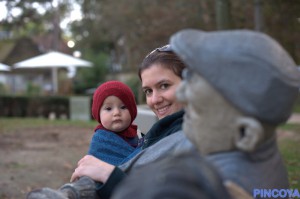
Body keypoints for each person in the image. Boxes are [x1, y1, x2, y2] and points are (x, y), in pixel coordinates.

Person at [111, 29, 300, 199]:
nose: (184, 93)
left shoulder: (200, 186)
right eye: (191, 77)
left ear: (246, 134)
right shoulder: (261, 159)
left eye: (198, 110)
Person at [26, 44, 187, 199]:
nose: (154, 100)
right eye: (148, 91)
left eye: (164, 85)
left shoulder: (192, 138)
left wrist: (107, 174)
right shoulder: (163, 131)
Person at [88, 80, 139, 166]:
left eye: (123, 107)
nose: (116, 113)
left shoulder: (138, 134)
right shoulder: (100, 140)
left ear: (132, 111)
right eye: (108, 109)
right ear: (98, 113)